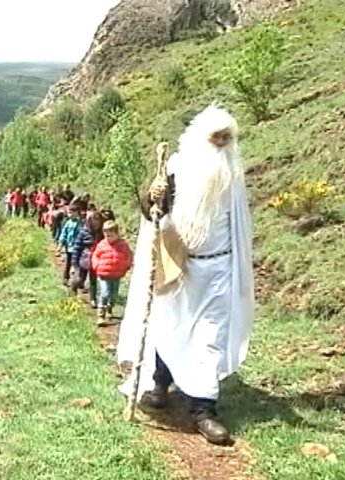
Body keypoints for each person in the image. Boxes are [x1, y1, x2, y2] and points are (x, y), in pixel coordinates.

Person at [115, 105, 255, 446]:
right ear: (199, 138)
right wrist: (154, 197)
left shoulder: (233, 173)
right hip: (179, 263)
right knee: (168, 324)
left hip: (219, 267)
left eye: (227, 138)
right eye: (215, 137)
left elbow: (238, 224)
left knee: (209, 338)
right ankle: (160, 384)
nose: (221, 144)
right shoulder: (176, 167)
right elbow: (152, 212)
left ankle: (203, 410)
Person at [91, 220, 133, 325]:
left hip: (116, 274)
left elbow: (129, 256)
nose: (108, 238)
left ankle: (110, 307)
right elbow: (95, 255)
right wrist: (97, 266)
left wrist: (126, 266)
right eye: (106, 235)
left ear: (117, 234)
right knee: (105, 293)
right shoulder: (102, 245)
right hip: (103, 274)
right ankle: (101, 315)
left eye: (111, 235)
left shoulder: (123, 245)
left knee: (114, 295)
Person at [70, 210, 105, 307]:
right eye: (94, 220)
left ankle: (93, 299)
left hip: (96, 260)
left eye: (98, 220)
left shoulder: (102, 233)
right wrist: (74, 263)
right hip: (84, 260)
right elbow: (77, 247)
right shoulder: (83, 231)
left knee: (93, 281)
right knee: (81, 279)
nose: (96, 222)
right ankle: (73, 287)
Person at [56, 205, 84, 285]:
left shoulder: (80, 223)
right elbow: (63, 234)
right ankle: (66, 278)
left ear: (77, 213)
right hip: (69, 247)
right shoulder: (68, 223)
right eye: (69, 213)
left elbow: (82, 234)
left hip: (78, 247)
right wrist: (60, 244)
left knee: (78, 264)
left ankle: (79, 281)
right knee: (68, 263)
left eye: (72, 213)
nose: (70, 215)